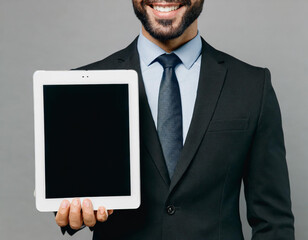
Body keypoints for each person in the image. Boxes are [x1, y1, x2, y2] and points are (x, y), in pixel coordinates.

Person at [55, 0, 295, 239]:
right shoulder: (83, 85)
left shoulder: (252, 86)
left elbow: (274, 223)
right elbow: (68, 196)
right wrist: (71, 210)